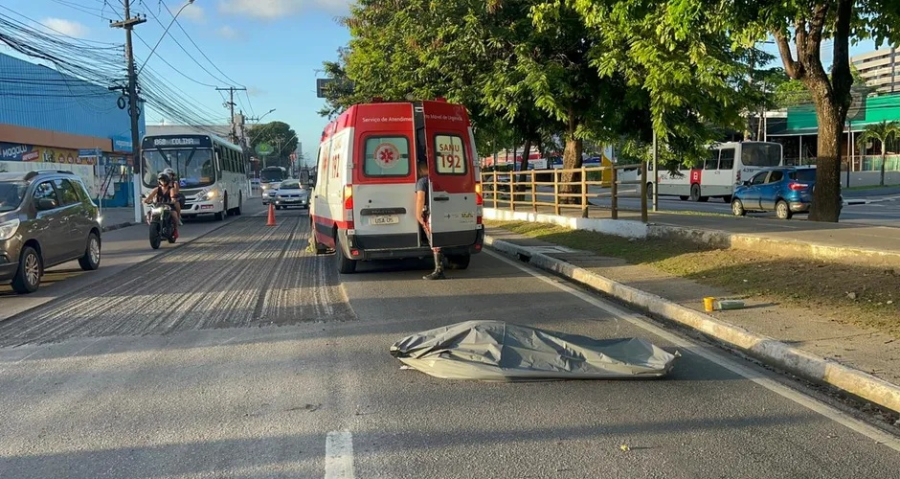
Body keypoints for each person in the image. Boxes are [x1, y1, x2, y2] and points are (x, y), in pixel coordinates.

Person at [415, 161, 446, 280]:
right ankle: (439, 269)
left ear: (421, 170)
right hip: (441, 212)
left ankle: (439, 270)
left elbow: (420, 198)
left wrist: (418, 215)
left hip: (429, 213)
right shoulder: (439, 179)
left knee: (433, 239)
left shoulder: (422, 181)